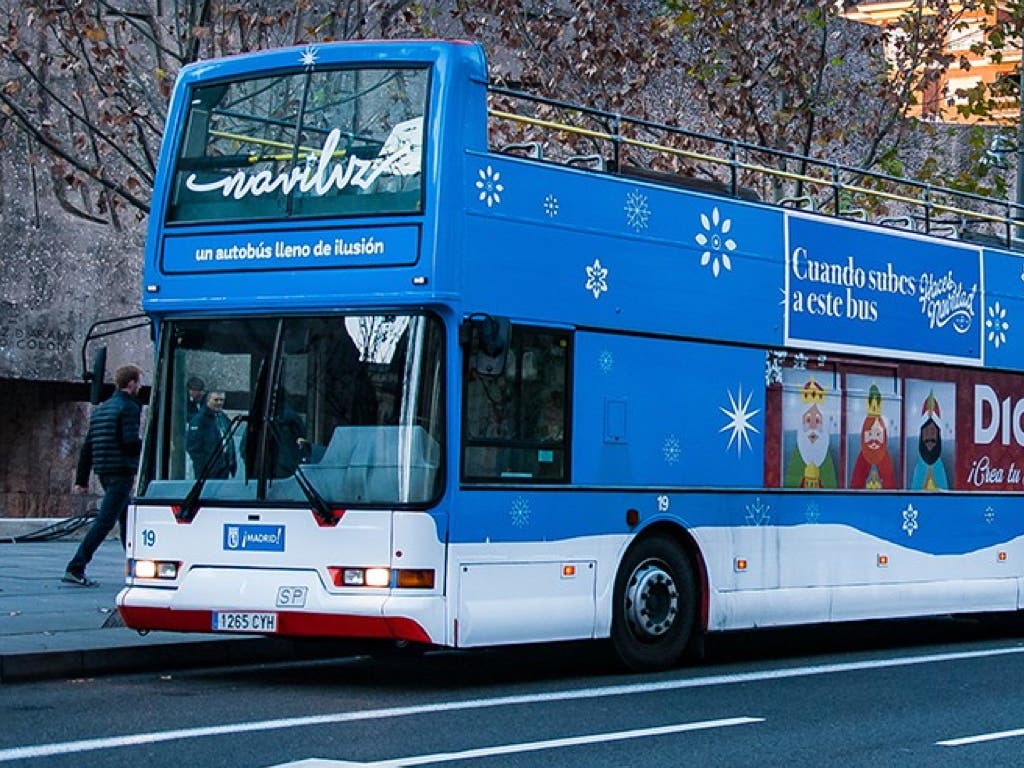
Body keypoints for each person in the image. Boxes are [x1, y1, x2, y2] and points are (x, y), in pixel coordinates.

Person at [63, 364, 144, 587]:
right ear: (132, 383)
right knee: (105, 521)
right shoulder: (129, 408)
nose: (140, 385)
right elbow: (129, 442)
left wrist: (81, 479)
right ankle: (76, 567)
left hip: (104, 472)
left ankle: (138, 566)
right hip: (121, 471)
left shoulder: (102, 409)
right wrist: (147, 447)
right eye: (139, 381)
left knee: (127, 521)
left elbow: (87, 447)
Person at [783, 378, 838, 488]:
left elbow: (831, 489)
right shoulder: (797, 456)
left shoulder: (826, 459)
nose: (813, 427)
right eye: (808, 421)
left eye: (817, 421)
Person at [849, 383, 897, 489]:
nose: (874, 440)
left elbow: (891, 488)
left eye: (878, 434)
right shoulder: (862, 458)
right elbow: (855, 488)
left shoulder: (886, 459)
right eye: (870, 435)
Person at [187, 389, 238, 478]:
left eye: (221, 400)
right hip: (208, 470)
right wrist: (204, 465)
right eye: (216, 400)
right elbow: (193, 447)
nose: (219, 403)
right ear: (208, 400)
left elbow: (229, 441)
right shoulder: (199, 419)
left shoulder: (223, 417)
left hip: (224, 466)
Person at [911, 390, 948, 490]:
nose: (929, 437)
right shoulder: (919, 469)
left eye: (933, 431)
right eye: (926, 431)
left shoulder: (940, 468)